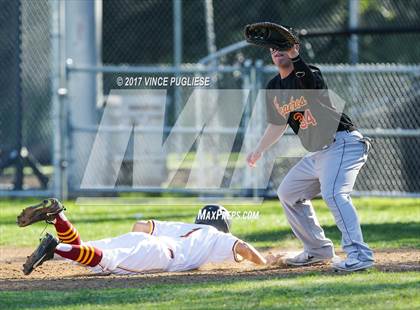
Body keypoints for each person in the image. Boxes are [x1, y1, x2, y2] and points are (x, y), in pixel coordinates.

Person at [246, 39, 374, 271]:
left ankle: (360, 255)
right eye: (273, 47)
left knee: (334, 194)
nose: (276, 50)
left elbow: (311, 85)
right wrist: (258, 150)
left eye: (281, 45)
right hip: (318, 154)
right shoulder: (274, 87)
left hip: (342, 143)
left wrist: (296, 57)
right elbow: (277, 125)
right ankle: (317, 250)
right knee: (288, 193)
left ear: (294, 48)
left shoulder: (308, 71)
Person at [18, 199, 267, 275]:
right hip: (160, 254)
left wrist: (134, 244)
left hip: (141, 240)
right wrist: (264, 263)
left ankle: (59, 217)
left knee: (82, 251)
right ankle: (54, 248)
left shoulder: (184, 227)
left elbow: (140, 226)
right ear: (224, 225)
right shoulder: (215, 235)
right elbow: (242, 247)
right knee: (105, 261)